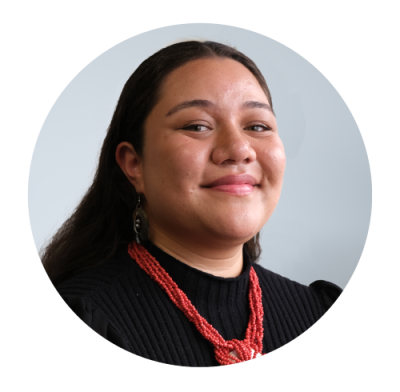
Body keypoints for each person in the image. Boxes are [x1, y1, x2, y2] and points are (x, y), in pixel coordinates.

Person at [41, 40, 342, 367]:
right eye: (197, 126)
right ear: (134, 164)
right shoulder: (90, 316)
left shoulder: (317, 310)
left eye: (257, 126)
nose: (239, 149)